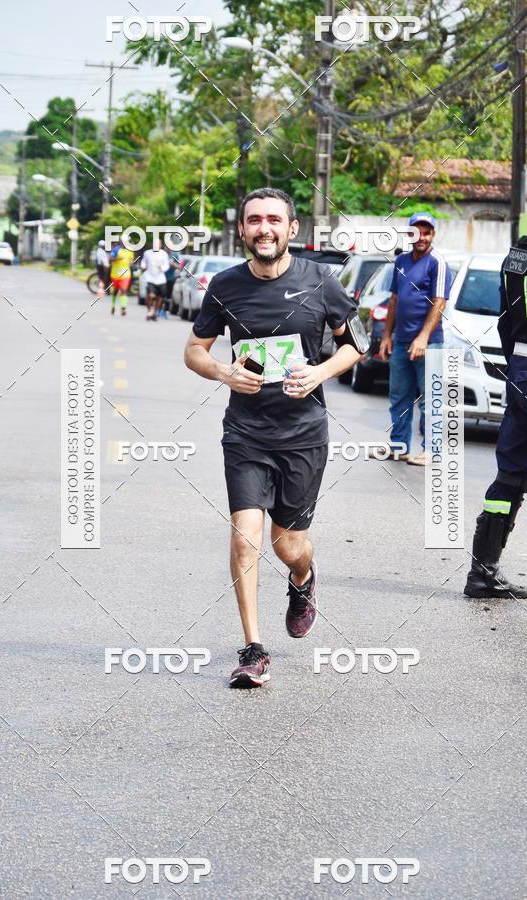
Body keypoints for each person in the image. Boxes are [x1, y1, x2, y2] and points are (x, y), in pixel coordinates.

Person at [184, 188, 363, 688]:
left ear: (292, 228)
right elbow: (194, 350)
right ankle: (253, 648)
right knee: (245, 536)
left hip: (303, 435)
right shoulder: (225, 285)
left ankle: (303, 578)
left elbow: (356, 345)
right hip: (246, 433)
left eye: (274, 220)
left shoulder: (320, 280)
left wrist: (320, 372)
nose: (264, 228)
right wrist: (223, 371)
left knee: (288, 546)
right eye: (254, 220)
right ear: (242, 229)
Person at [464, 177, 527, 611]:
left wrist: (519, 366)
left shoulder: (518, 253)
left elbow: (506, 319)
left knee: (513, 475)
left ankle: (482, 573)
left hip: (523, 371)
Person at [378, 212, 452, 466]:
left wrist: (422, 338)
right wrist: (386, 335)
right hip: (401, 341)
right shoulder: (401, 261)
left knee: (431, 400)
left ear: (433, 234)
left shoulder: (437, 262)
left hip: (429, 344)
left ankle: (431, 450)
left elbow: (439, 302)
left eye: (427, 232)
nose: (422, 237)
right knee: (399, 397)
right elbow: (395, 300)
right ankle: (399, 447)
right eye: (416, 232)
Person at [141, 238, 170, 321]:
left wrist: (162, 268)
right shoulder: (147, 253)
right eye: (154, 244)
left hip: (160, 279)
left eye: (158, 244)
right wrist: (143, 266)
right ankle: (149, 311)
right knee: (151, 295)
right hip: (150, 277)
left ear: (160, 245)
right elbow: (143, 262)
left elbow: (166, 265)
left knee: (159, 297)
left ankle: (154, 313)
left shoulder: (164, 254)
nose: (156, 245)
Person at [108, 239, 134, 316]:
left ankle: (123, 308)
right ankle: (113, 306)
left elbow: (131, 260)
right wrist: (117, 259)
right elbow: (110, 259)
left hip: (126, 274)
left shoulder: (130, 251)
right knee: (115, 291)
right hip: (115, 274)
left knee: (123, 290)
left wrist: (131, 263)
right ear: (121, 242)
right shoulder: (116, 250)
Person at [161, 252, 180, 317]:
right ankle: (159, 310)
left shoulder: (175, 255)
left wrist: (173, 264)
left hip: (171, 279)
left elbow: (179, 266)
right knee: (161, 294)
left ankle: (166, 311)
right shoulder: (162, 253)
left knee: (168, 296)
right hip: (161, 278)